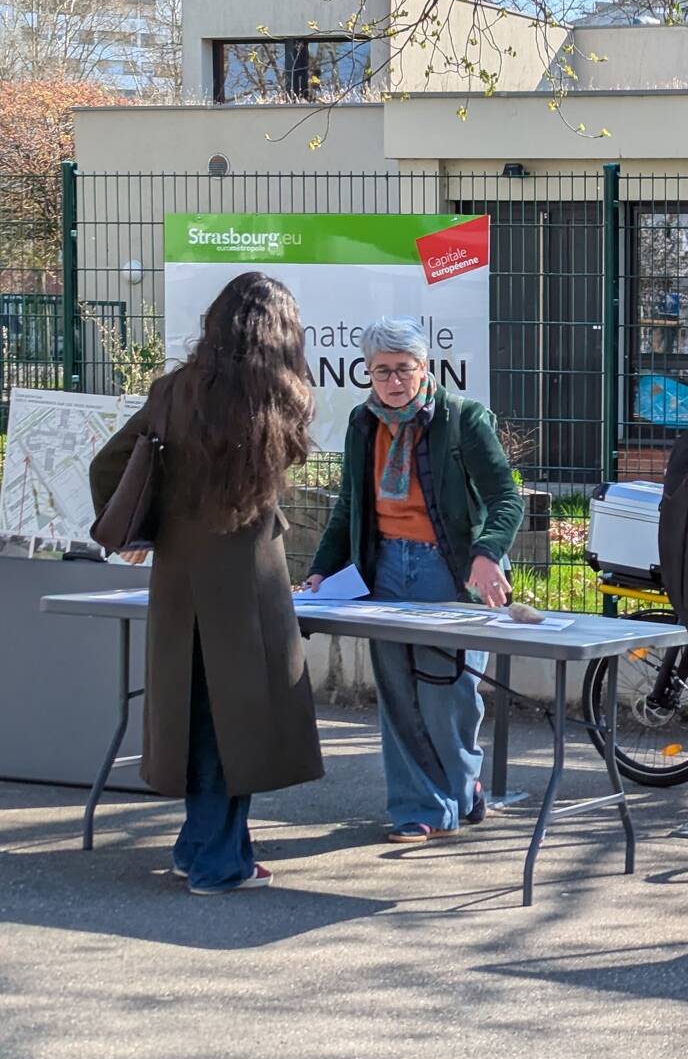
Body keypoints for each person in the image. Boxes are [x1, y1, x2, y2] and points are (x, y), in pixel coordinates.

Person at [89, 271, 324, 894]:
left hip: (179, 578)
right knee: (238, 724)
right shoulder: (279, 396)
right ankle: (218, 863)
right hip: (247, 582)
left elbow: (109, 465)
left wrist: (144, 530)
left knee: (194, 718)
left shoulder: (173, 391)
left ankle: (201, 848)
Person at [305, 317, 523, 844]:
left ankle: (462, 787)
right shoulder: (363, 423)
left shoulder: (463, 419)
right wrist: (321, 569)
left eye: (404, 368)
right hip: (383, 569)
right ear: (368, 373)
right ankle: (418, 809)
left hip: (446, 571)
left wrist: (487, 554)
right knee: (398, 696)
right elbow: (349, 507)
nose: (394, 381)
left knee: (449, 694)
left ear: (424, 367)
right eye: (382, 371)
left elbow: (506, 499)